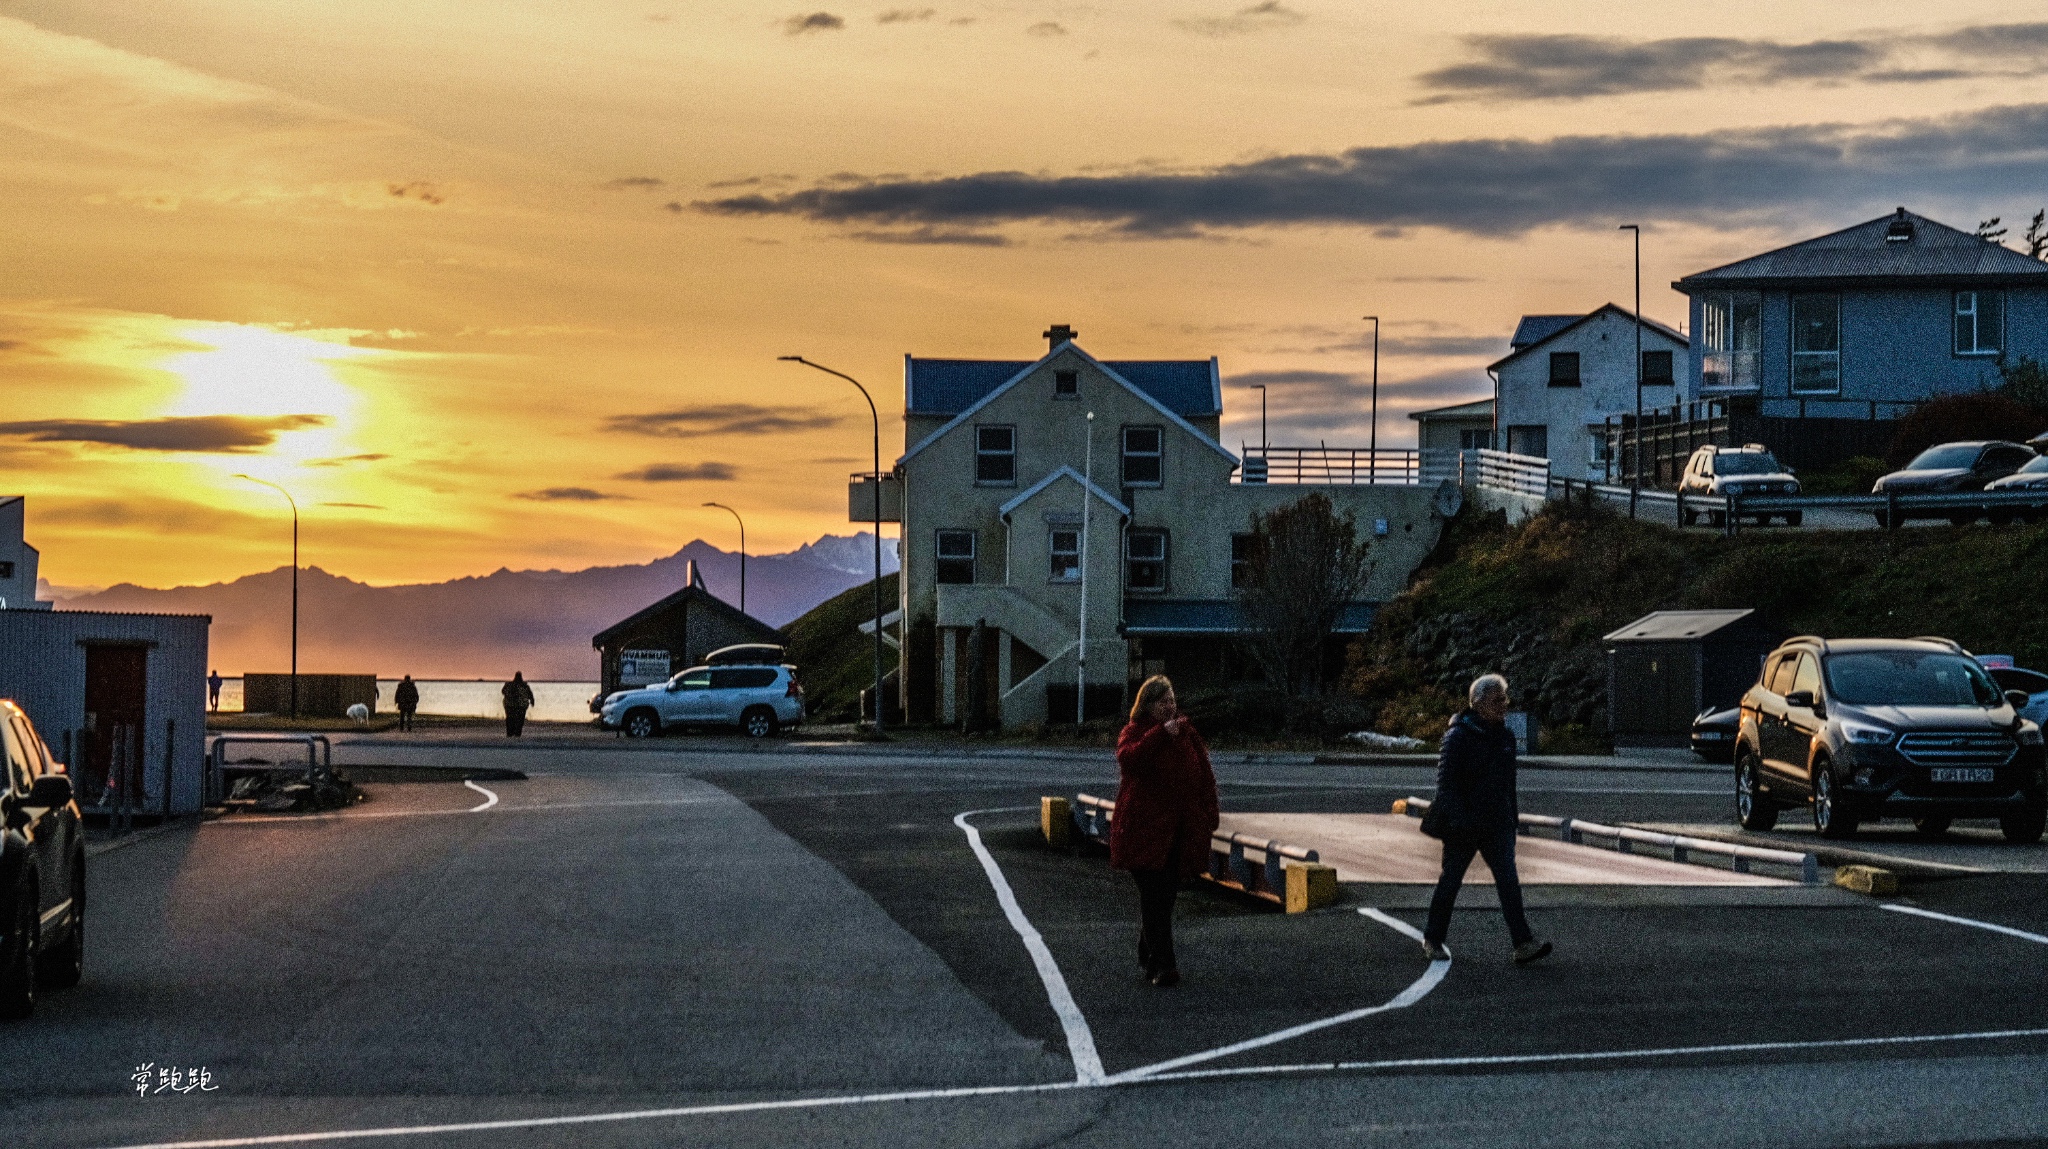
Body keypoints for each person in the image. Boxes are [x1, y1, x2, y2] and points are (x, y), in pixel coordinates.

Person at [1421, 673, 1552, 966]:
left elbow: (1509, 784)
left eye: (1505, 699)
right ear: (1478, 704)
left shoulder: (1505, 737)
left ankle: (1523, 943)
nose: (1504, 705)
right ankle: (1433, 938)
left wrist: (1511, 820)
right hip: (1464, 827)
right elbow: (1447, 787)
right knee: (1450, 881)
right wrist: (1461, 821)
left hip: (1497, 825)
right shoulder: (1457, 737)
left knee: (1509, 882)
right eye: (1497, 700)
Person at [1110, 675, 1219, 988]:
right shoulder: (1136, 732)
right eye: (1163, 702)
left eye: (1172, 700)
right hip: (1141, 830)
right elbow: (1129, 760)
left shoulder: (1188, 734)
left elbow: (1205, 776)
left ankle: (1149, 953)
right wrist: (1159, 735)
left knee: (1165, 897)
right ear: (1148, 705)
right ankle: (1165, 966)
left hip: (1176, 832)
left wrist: (1210, 813)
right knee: (1154, 896)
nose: (1170, 707)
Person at [502, 672, 535, 738]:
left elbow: (503, 691)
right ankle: (516, 734)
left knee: (510, 720)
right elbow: (530, 694)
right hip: (520, 706)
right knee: (519, 720)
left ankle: (510, 733)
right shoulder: (525, 686)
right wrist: (532, 701)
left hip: (510, 705)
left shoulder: (509, 685)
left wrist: (532, 700)